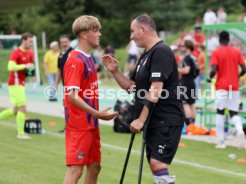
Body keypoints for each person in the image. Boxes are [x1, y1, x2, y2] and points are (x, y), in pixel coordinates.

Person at [103, 14, 184, 184]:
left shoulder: (161, 51)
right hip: (153, 119)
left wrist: (140, 119)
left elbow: (155, 89)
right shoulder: (146, 54)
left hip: (166, 119)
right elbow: (132, 86)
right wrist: (115, 71)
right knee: (155, 165)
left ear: (143, 29)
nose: (131, 36)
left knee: (157, 163)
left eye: (132, 31)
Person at [62, 15, 118, 184]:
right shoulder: (75, 60)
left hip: (91, 124)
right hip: (79, 126)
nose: (99, 34)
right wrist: (97, 113)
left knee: (94, 167)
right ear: (85, 34)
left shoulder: (89, 58)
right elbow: (72, 96)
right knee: (76, 170)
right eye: (96, 30)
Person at [208, 31, 246, 149]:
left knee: (220, 112)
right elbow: (244, 69)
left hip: (222, 87)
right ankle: (240, 131)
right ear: (229, 39)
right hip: (234, 87)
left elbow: (214, 69)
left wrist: (210, 77)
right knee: (233, 112)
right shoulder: (237, 51)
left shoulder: (216, 52)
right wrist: (237, 76)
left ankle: (221, 142)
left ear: (219, 40)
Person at [0, 32, 35, 139]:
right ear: (23, 40)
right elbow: (10, 67)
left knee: (15, 110)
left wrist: (30, 70)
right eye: (30, 41)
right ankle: (20, 133)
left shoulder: (30, 53)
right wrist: (25, 66)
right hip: (15, 83)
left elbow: (29, 71)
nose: (31, 44)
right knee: (23, 108)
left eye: (32, 42)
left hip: (21, 83)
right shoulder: (16, 52)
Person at [54, 34, 73, 133]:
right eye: (62, 42)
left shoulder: (73, 53)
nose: (64, 44)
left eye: (66, 42)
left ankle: (72, 127)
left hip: (74, 86)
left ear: (69, 42)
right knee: (66, 105)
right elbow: (59, 70)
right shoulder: (61, 55)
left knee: (73, 106)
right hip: (65, 85)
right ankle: (68, 127)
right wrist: (55, 84)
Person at [178, 40, 197, 126]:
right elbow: (197, 71)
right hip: (192, 82)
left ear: (187, 47)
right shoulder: (193, 57)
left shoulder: (187, 58)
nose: (182, 47)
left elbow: (186, 70)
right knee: (191, 104)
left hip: (186, 83)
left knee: (185, 103)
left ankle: (189, 124)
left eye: (183, 46)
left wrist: (176, 69)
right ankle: (193, 124)